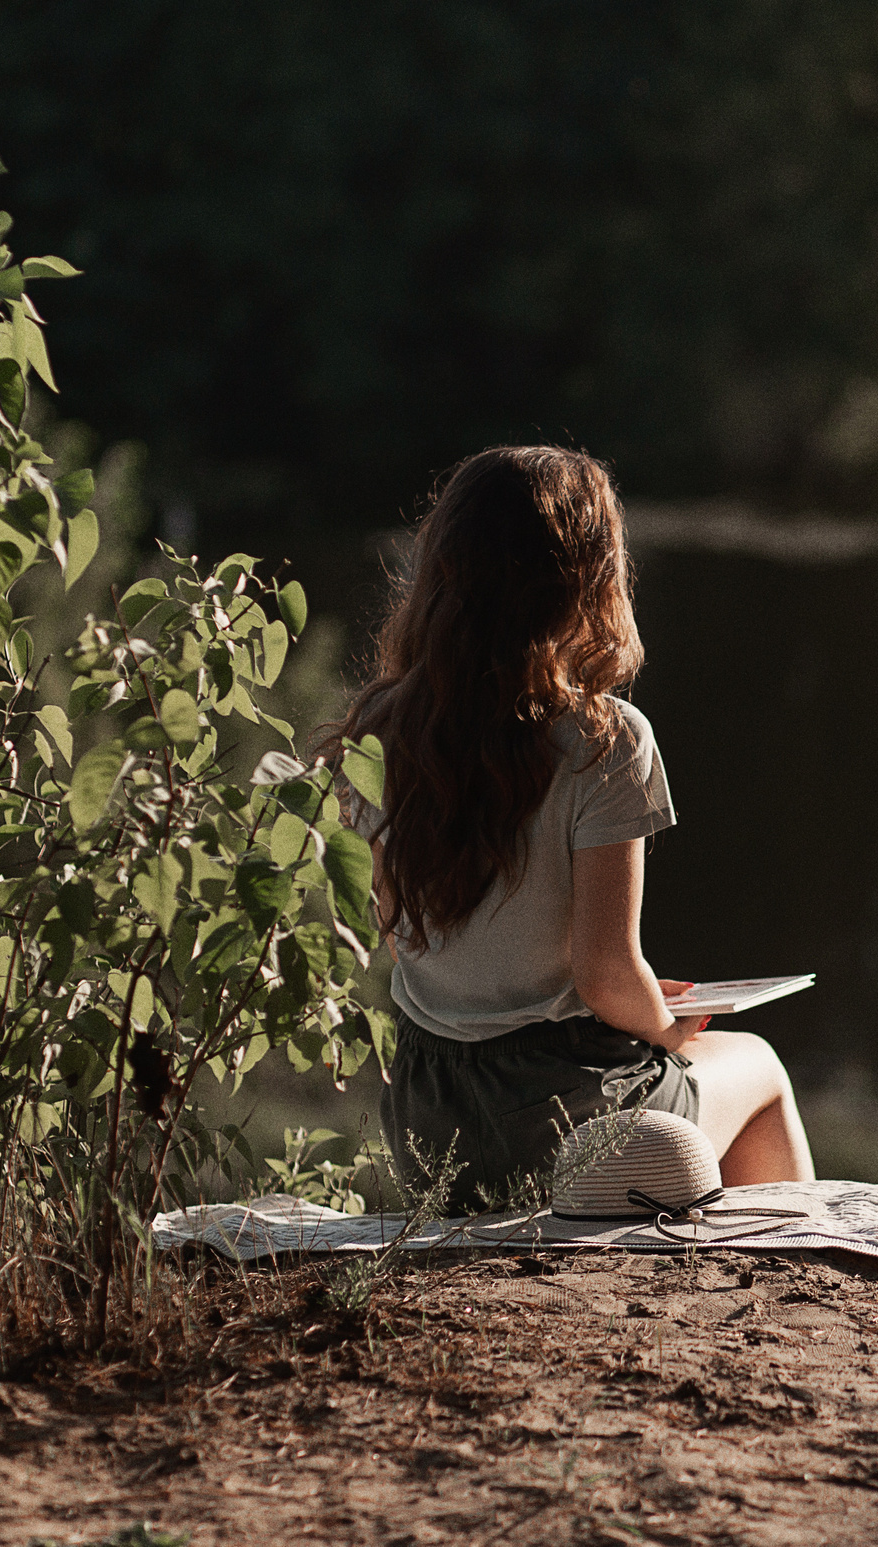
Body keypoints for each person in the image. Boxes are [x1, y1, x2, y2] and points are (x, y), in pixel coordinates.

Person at [321, 446, 816, 1210]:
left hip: (431, 1120)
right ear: (583, 583)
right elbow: (606, 974)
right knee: (758, 1062)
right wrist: (664, 1024)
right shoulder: (605, 739)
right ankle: (786, 1267)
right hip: (568, 1111)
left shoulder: (378, 733)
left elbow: (394, 928)